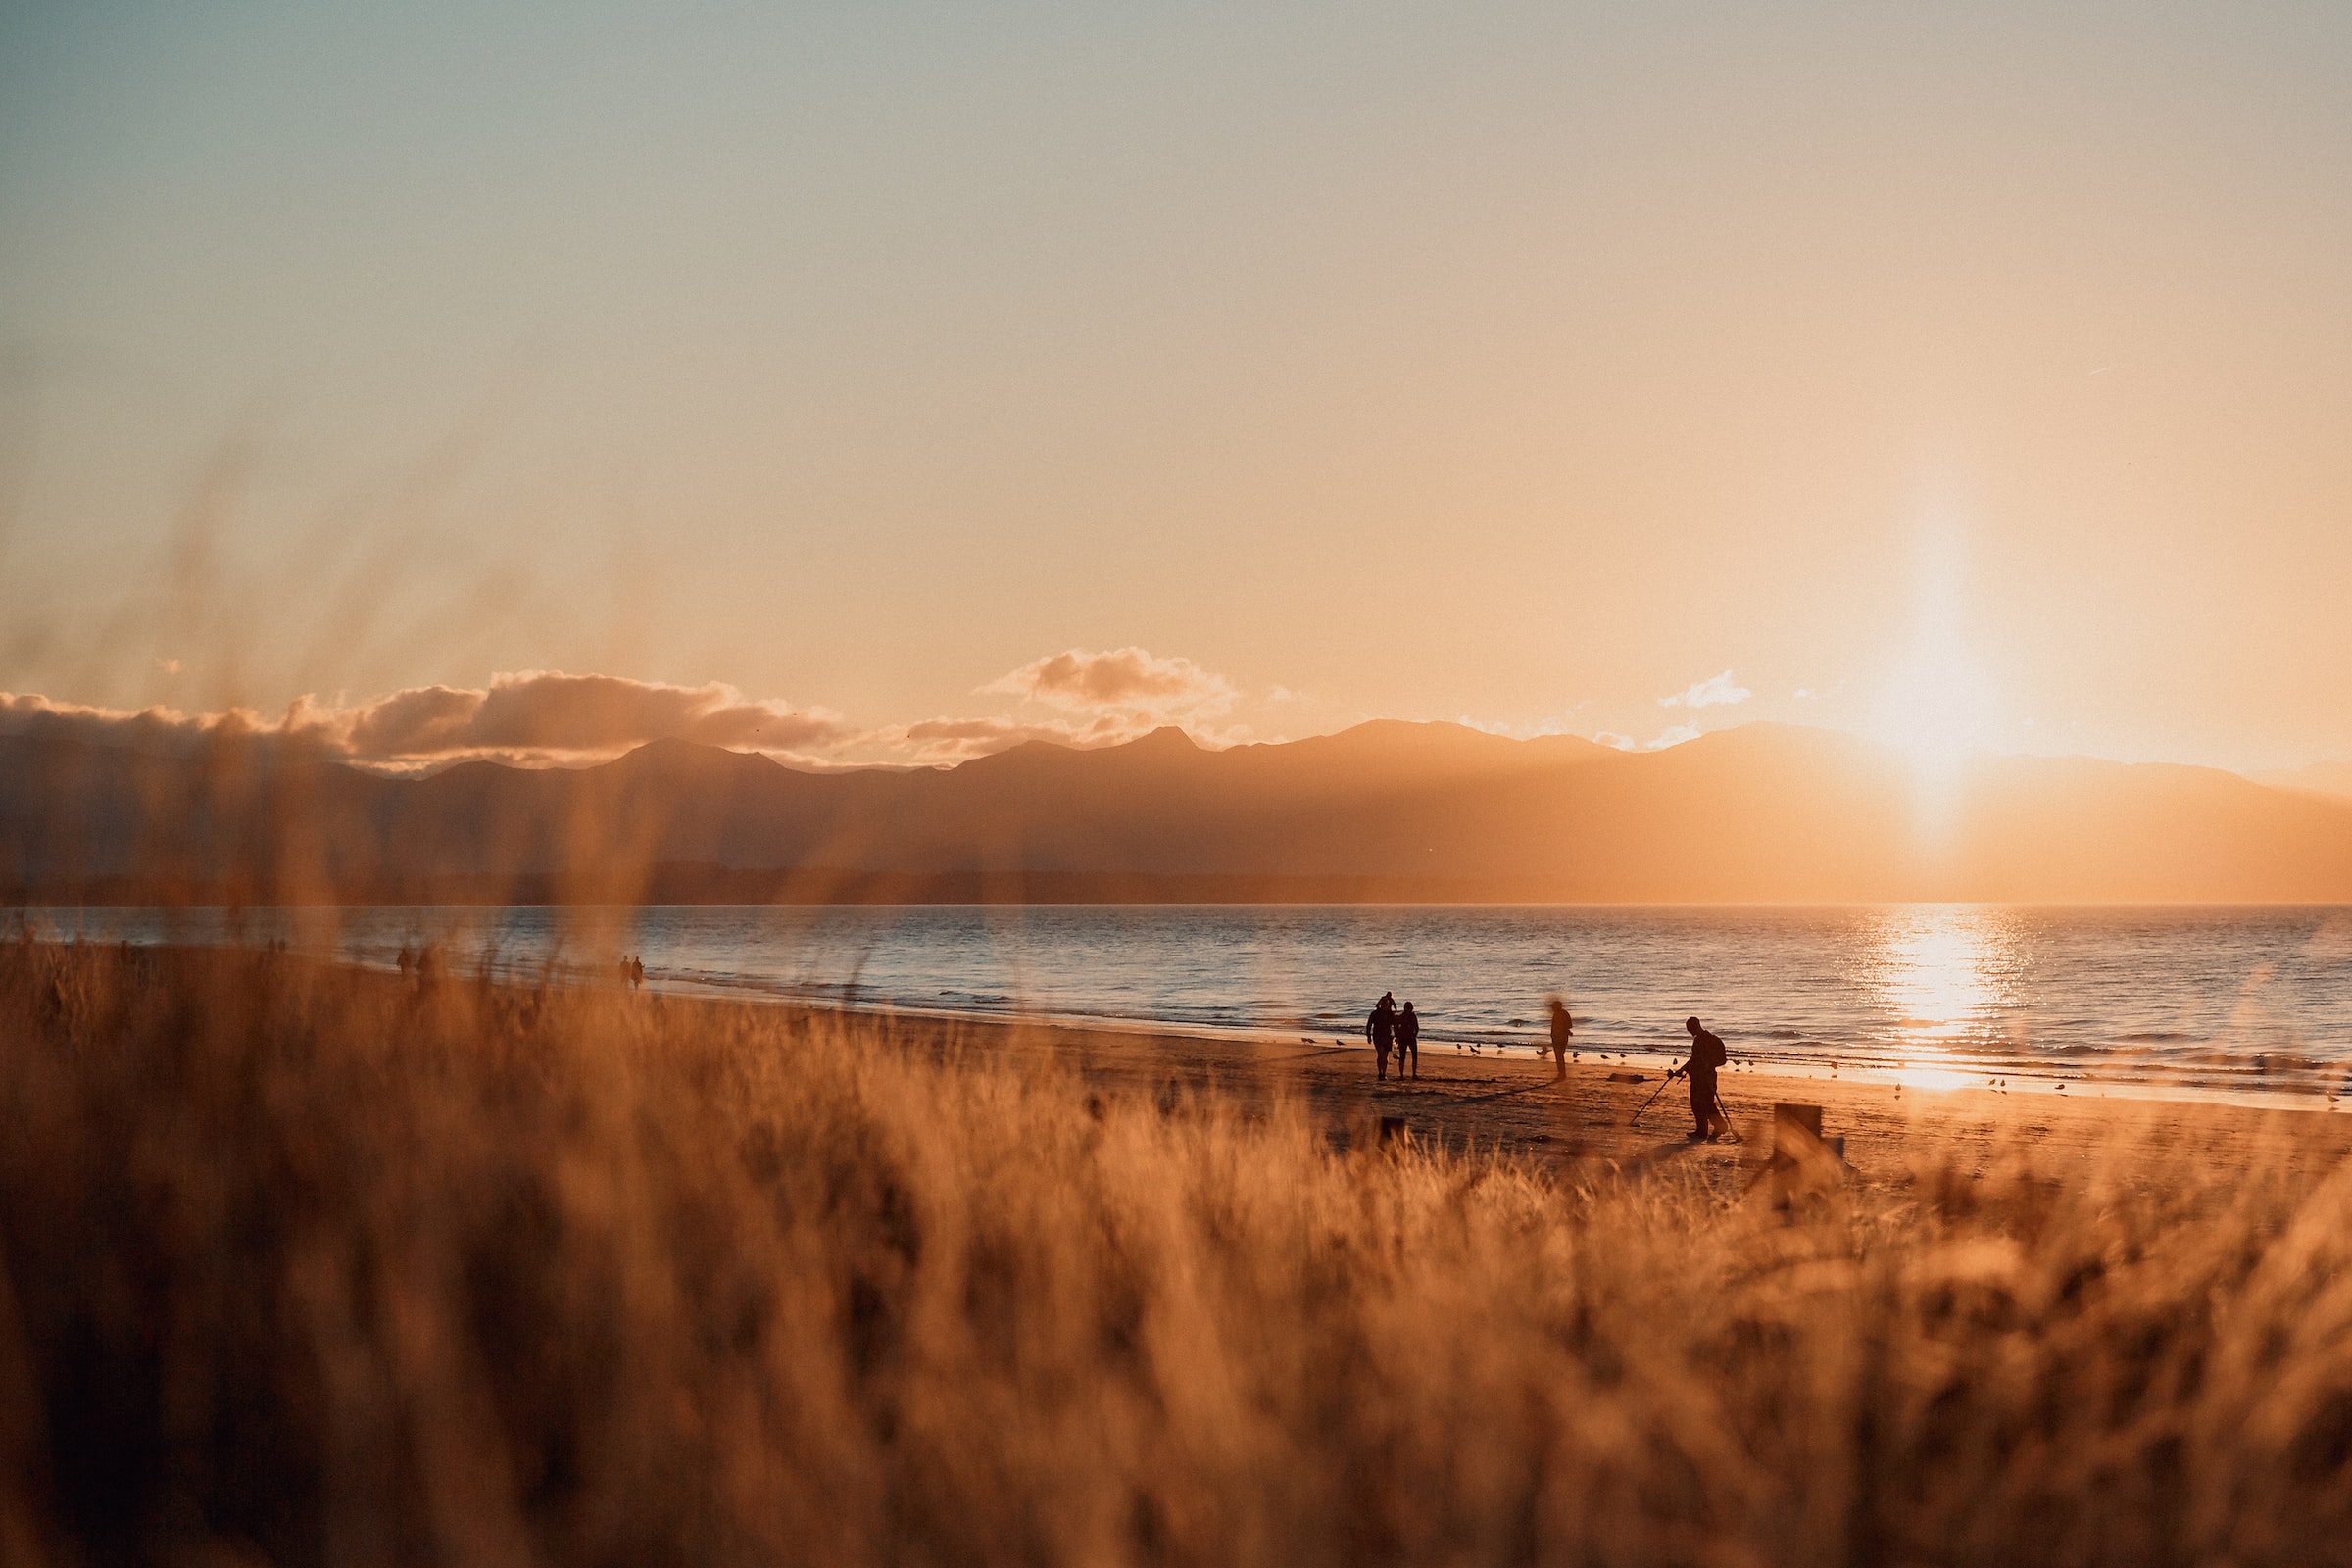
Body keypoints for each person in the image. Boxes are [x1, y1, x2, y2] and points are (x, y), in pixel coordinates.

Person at [1675, 1015, 1731, 1141]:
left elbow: (1722, 1060)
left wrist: (1709, 1064)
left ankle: (1719, 1126)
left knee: (1706, 1104)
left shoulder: (1713, 1040)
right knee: (1697, 1105)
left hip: (1708, 1078)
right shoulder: (1698, 1040)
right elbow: (1693, 1060)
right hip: (1696, 1078)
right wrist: (1681, 1070)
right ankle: (1703, 1131)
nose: (1689, 1032)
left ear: (1696, 1026)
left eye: (1690, 1029)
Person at [1365, 994, 1396, 1082]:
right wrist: (1368, 1035)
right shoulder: (1375, 1013)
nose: (1385, 1005)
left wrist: (1396, 1036)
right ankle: (1380, 1073)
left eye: (1386, 1003)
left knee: (1385, 1056)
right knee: (1381, 1054)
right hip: (1377, 1036)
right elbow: (1369, 1024)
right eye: (1383, 1003)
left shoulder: (1390, 1014)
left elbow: (1395, 1025)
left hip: (1387, 1036)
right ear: (1380, 1004)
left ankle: (1384, 1073)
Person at [1546, 995, 1573, 1078]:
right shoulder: (1564, 1013)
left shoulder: (1559, 1014)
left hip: (1559, 1038)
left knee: (1559, 1055)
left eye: (1553, 1007)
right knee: (1560, 1055)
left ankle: (1562, 1072)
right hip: (1561, 1038)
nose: (1552, 1008)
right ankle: (1562, 1072)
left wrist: (1564, 1031)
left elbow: (1566, 1026)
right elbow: (1569, 1026)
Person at [1396, 1002, 1421, 1080]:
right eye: (1408, 1008)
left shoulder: (1411, 1016)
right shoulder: (1404, 1016)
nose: (1409, 1010)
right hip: (1404, 1038)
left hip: (1409, 1037)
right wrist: (1397, 1036)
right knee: (1403, 1056)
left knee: (1413, 1056)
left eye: (1410, 1008)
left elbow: (1417, 1027)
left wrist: (1415, 1034)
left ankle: (1412, 1074)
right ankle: (1402, 1075)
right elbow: (1396, 1026)